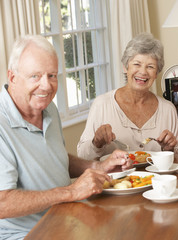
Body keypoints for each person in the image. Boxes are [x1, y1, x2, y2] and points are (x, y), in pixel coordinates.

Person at [0, 35, 132, 239]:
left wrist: (97, 167)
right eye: (35, 76)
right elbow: (3, 202)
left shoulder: (47, 107)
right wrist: (71, 192)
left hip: (67, 220)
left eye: (52, 75)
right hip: (27, 234)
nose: (46, 86)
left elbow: (55, 157)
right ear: (12, 77)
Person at [77, 33, 178, 160]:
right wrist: (96, 143)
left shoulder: (168, 110)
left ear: (156, 74)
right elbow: (82, 156)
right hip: (114, 179)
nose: (143, 72)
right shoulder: (102, 104)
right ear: (126, 67)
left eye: (150, 67)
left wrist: (169, 149)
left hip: (157, 180)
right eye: (137, 64)